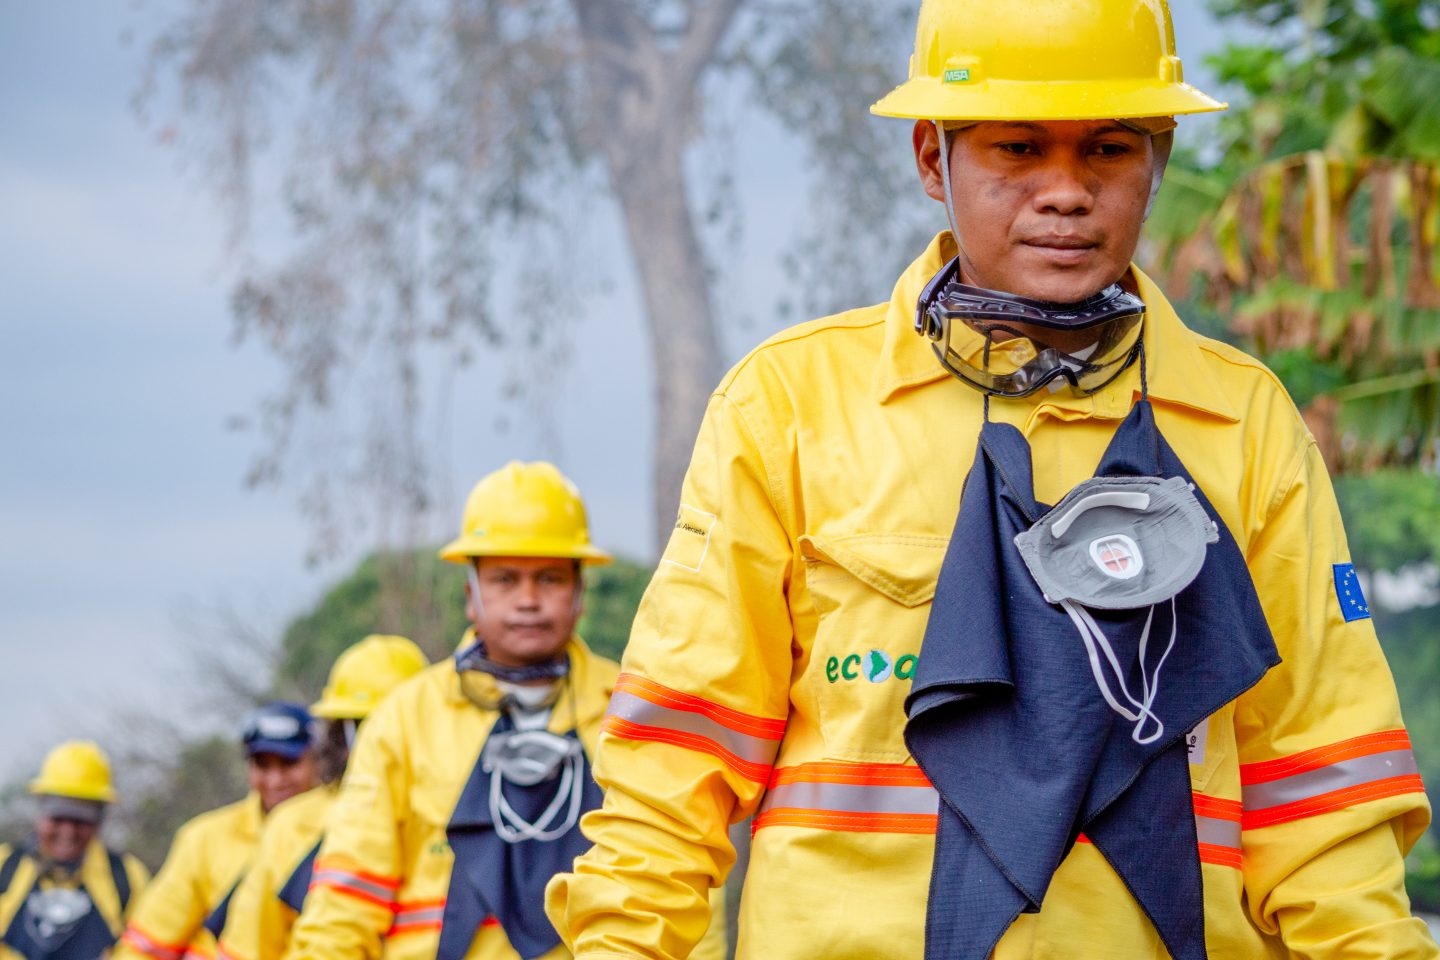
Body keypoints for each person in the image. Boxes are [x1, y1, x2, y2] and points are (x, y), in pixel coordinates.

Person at [546, 1, 1439, 957]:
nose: (1066, 191)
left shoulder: (1241, 423)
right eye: (1017, 148)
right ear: (933, 159)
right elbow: (673, 773)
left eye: (1108, 149)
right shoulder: (793, 407)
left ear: (1159, 156)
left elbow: (1323, 784)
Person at [284, 462, 726, 960]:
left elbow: (679, 879)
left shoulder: (631, 708)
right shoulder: (406, 718)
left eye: (550, 578)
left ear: (581, 591)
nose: (528, 600)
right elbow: (343, 905)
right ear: (470, 594)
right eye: (504, 579)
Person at [216, 636, 429, 960]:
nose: (384, 745)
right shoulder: (292, 825)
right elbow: (248, 946)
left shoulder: (449, 812)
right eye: (367, 728)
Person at [116, 704, 317, 960]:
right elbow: (146, 945)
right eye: (262, 765)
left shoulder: (340, 830)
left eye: (289, 763)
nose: (275, 780)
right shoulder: (205, 838)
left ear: (316, 759)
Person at [0, 741, 149, 960]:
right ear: (41, 811)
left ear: (100, 819)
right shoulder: (5, 865)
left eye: (81, 820)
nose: (68, 831)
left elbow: (146, 947)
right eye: (59, 817)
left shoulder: (127, 875)